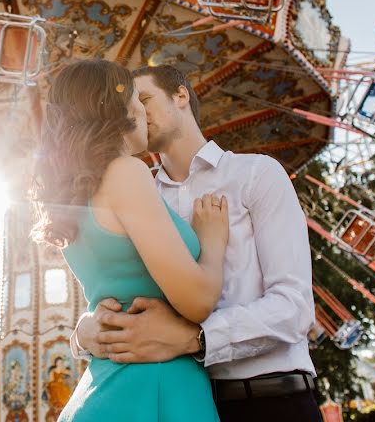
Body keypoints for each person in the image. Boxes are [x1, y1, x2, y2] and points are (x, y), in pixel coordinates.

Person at [73, 64, 320, 422]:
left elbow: (295, 307)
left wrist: (197, 338)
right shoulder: (135, 193)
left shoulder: (255, 174)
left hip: (271, 396)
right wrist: (82, 333)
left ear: (181, 95)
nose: (137, 112)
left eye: (144, 99)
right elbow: (115, 288)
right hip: (186, 399)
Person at [32, 59, 229, 421]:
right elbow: (198, 302)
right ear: (119, 108)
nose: (140, 107)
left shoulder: (78, 196)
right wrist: (213, 242)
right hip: (154, 385)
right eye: (135, 98)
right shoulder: (126, 172)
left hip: (107, 385)